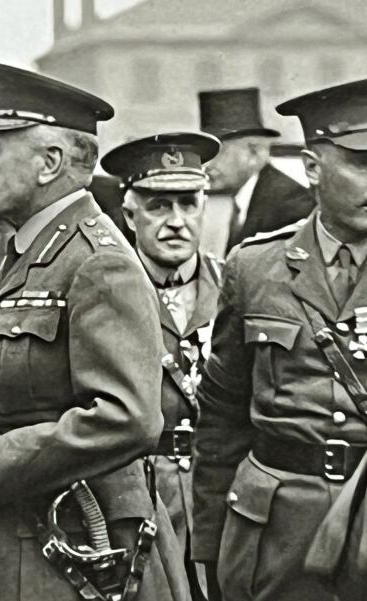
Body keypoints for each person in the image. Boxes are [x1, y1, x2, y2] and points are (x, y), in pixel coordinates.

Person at [0, 61, 191, 601]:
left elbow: (129, 416)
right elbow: (1, 407)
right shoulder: (31, 253)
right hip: (30, 538)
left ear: (48, 162)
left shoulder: (97, 263)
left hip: (86, 553)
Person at [192, 78, 367, 601]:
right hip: (275, 534)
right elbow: (221, 418)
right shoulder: (254, 267)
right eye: (362, 162)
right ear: (313, 168)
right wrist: (207, 544)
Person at [101, 132, 222, 600]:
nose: (176, 222)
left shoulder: (235, 285)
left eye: (188, 204)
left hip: (220, 503)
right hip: (144, 503)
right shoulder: (105, 291)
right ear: (130, 215)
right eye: (158, 206)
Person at [198, 87, 314, 255]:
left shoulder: (292, 206)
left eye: (217, 151)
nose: (206, 164)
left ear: (254, 152)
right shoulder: (250, 197)